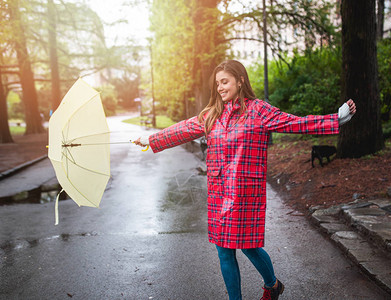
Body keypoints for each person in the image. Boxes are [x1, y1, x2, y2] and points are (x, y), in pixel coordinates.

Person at [134, 59, 356, 300]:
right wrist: (151, 140)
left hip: (245, 193)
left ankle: (272, 285)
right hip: (219, 194)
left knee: (248, 245)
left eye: (225, 81)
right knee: (224, 251)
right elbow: (182, 130)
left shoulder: (259, 110)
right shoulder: (212, 115)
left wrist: (335, 119)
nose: (219, 87)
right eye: (217, 83)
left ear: (240, 81)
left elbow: (294, 122)